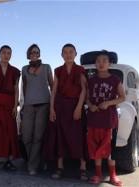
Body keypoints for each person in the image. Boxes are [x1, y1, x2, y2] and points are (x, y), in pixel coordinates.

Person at [44, 43, 88, 180]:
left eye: (71, 52)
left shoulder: (80, 70)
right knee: (60, 136)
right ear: (62, 55)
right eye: (65, 52)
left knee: (79, 137)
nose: (68, 54)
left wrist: (79, 108)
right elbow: (54, 90)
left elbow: (84, 90)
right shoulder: (57, 70)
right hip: (60, 107)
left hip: (75, 107)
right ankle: (60, 167)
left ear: (76, 54)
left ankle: (83, 168)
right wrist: (51, 108)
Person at [86, 50, 126, 186]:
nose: (101, 63)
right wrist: (90, 105)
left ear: (109, 63)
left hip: (110, 121)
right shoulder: (91, 80)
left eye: (104, 60)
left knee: (111, 150)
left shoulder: (115, 80)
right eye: (98, 61)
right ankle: (98, 174)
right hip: (93, 119)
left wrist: (108, 103)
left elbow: (122, 97)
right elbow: (86, 97)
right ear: (95, 64)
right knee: (95, 147)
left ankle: (113, 175)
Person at [21, 44, 53, 175]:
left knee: (38, 137)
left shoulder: (46, 67)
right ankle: (37, 161)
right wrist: (23, 103)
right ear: (28, 54)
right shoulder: (24, 69)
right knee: (26, 136)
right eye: (32, 52)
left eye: (37, 52)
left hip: (44, 105)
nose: (34, 53)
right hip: (28, 105)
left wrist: (53, 105)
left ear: (39, 54)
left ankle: (32, 166)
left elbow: (52, 85)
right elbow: (24, 87)